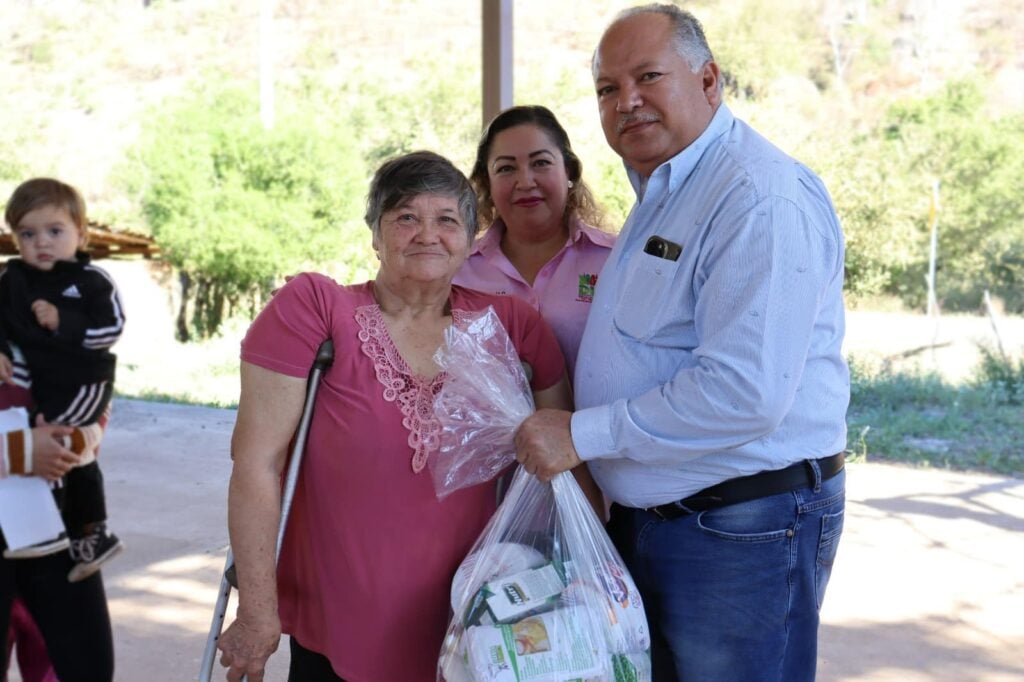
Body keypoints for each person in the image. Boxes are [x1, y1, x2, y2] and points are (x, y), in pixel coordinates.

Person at [513, 5, 850, 681]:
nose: (626, 101)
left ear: (709, 81)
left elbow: (744, 393)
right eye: (608, 89)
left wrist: (586, 434)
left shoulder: (756, 196)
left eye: (648, 77)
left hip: (740, 529)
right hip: (670, 525)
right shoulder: (667, 189)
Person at [217, 151, 600, 681]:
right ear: (375, 235)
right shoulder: (317, 309)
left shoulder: (512, 324)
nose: (427, 234)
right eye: (405, 218)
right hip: (341, 616)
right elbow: (255, 462)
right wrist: (258, 611)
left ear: (470, 240)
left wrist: (592, 572)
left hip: (477, 616)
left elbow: (566, 461)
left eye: (447, 219)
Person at [0, 178, 126, 583]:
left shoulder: (91, 280)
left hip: (82, 382)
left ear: (81, 234)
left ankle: (89, 532)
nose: (42, 243)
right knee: (45, 437)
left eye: (55, 231)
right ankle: (56, 528)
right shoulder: (13, 279)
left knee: (60, 439)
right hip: (42, 388)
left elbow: (112, 328)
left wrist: (64, 322)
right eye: (28, 234)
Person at [454, 105, 615, 378]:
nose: (525, 182)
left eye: (540, 163)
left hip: (594, 421)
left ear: (570, 173)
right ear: (487, 184)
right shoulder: (457, 270)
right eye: (506, 168)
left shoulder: (615, 259)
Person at [0, 380, 115, 681]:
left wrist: (70, 440)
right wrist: (19, 451)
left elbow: (94, 390)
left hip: (57, 528)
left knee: (87, 669)